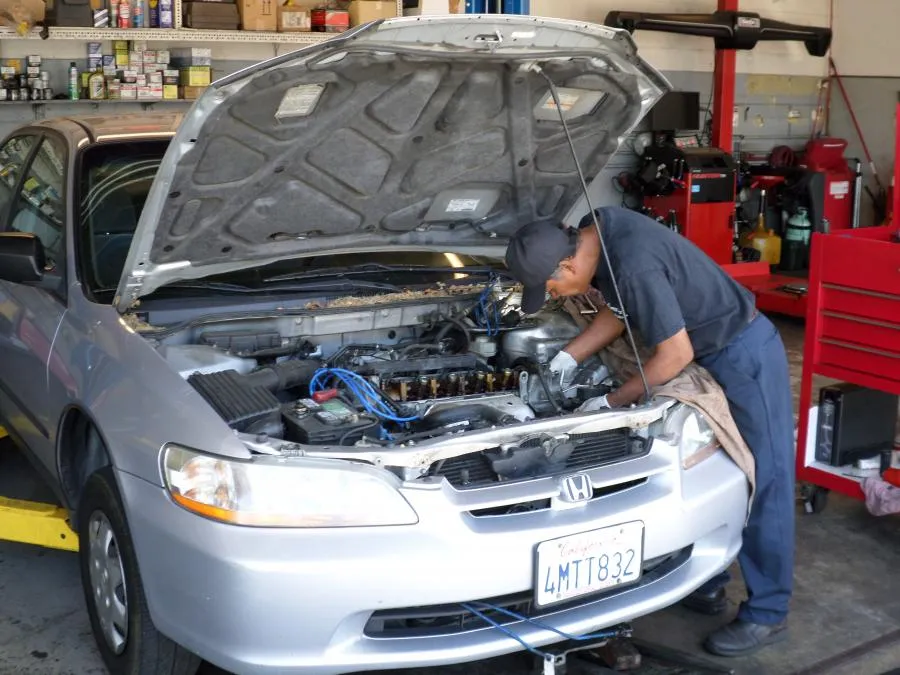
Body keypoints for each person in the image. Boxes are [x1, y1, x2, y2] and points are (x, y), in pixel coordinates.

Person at [504, 206, 795, 658]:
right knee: (702, 463)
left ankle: (768, 613)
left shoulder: (634, 263)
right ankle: (708, 577)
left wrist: (612, 401)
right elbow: (619, 312)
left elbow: (674, 355)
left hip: (741, 351)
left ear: (567, 264)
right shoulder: (599, 228)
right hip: (702, 349)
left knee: (765, 474)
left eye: (551, 287)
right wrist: (568, 358)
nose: (554, 296)